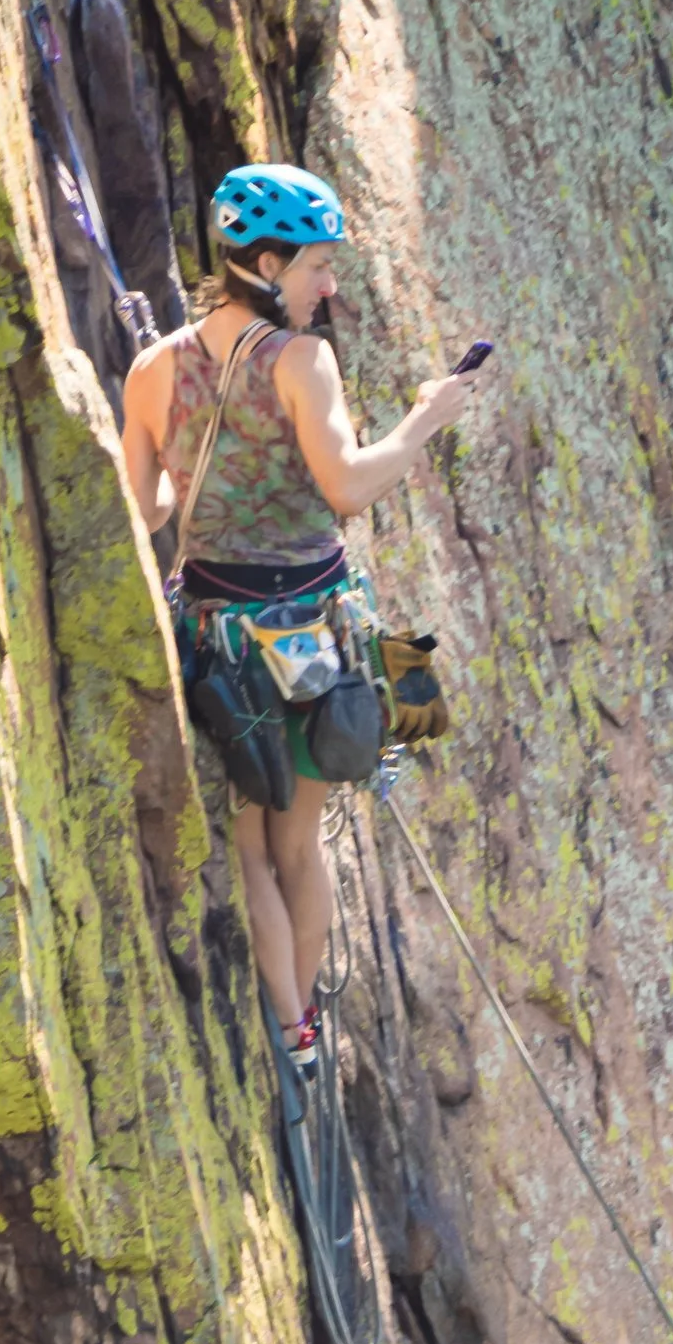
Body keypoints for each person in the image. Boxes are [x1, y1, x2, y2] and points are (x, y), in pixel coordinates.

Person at [120, 162, 488, 1052]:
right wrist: (424, 420)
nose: (329, 286)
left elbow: (149, 512)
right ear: (269, 262)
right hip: (308, 637)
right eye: (319, 265)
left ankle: (290, 1025)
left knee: (251, 833)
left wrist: (193, 475)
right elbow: (347, 487)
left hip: (218, 632)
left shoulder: (150, 368)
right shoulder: (301, 360)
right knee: (299, 838)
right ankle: (304, 1018)